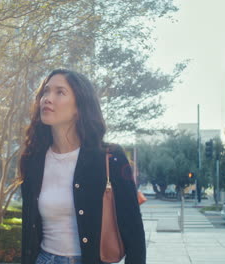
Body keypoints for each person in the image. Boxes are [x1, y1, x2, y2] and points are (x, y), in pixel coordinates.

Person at [19, 69, 146, 264]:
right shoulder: (33, 158)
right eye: (46, 91)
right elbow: (28, 229)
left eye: (59, 92)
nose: (47, 98)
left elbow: (134, 231)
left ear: (79, 107)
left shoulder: (110, 157)